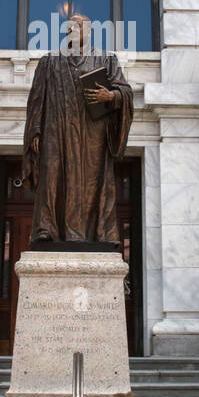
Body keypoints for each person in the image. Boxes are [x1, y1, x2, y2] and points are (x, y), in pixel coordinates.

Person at [21, 13, 133, 247]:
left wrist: (110, 95)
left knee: (92, 182)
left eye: (79, 25)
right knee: (51, 176)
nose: (74, 28)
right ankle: (46, 229)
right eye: (70, 25)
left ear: (89, 31)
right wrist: (36, 130)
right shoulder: (49, 62)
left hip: (92, 133)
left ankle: (96, 234)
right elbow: (36, 100)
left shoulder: (106, 60)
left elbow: (126, 93)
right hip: (56, 129)